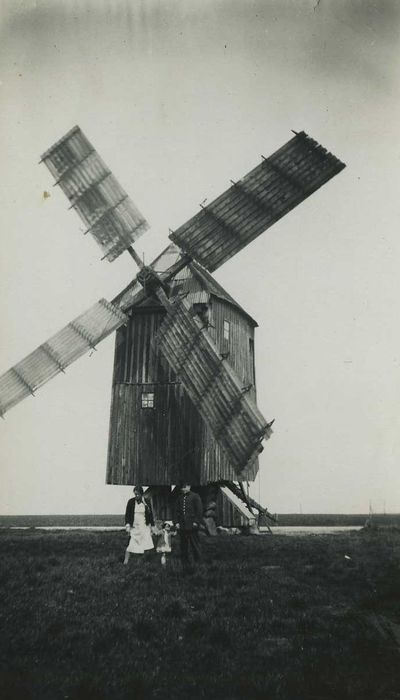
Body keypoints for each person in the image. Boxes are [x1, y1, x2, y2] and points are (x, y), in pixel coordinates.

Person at [174, 483, 204, 572]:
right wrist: (176, 522)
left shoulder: (195, 496)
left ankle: (198, 562)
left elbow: (199, 510)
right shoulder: (179, 498)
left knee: (195, 544)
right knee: (183, 545)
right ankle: (185, 563)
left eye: (185, 487)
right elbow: (176, 511)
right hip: (182, 526)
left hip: (192, 525)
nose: (183, 489)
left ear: (189, 487)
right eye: (182, 488)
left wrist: (196, 522)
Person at [123, 486, 154, 565]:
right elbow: (127, 515)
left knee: (142, 545)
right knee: (130, 544)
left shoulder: (146, 502)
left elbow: (150, 515)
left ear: (141, 494)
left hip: (143, 527)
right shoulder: (131, 502)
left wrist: (152, 526)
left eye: (138, 494)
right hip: (134, 526)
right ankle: (125, 562)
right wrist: (127, 525)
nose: (136, 496)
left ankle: (139, 563)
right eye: (135, 494)